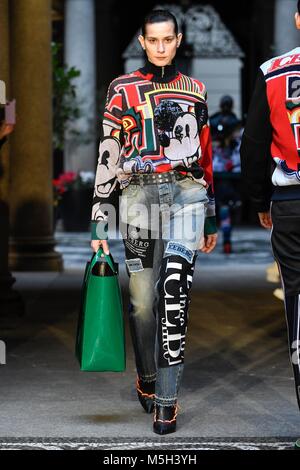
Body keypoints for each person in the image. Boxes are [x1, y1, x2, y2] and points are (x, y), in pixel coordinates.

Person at [90, 9, 218, 435]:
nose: (161, 47)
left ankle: (167, 401)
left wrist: (212, 217)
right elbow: (108, 152)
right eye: (153, 41)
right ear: (143, 43)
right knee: (143, 304)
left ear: (178, 39)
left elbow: (205, 156)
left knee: (174, 291)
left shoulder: (196, 89)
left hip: (187, 196)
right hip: (137, 197)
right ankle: (146, 377)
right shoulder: (121, 89)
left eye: (168, 40)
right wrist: (98, 222)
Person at [240, 1, 300, 450]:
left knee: (297, 300)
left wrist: (260, 200)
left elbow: (255, 142)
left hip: (291, 200)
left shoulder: (273, 71)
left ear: (298, 19)